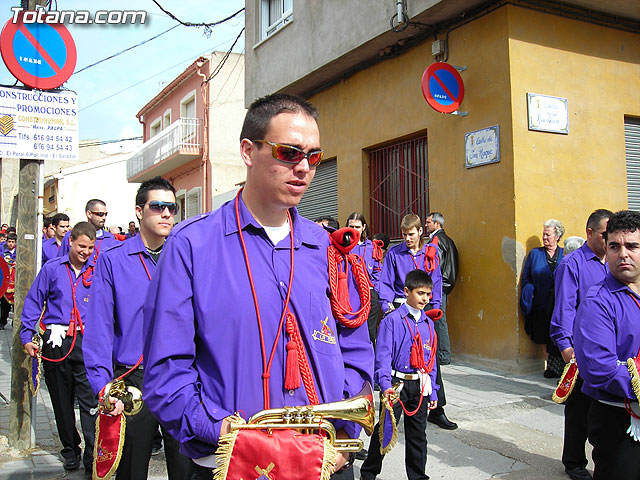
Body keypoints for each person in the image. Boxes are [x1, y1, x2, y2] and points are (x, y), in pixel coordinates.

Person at [142, 93, 373, 479]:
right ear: (248, 151)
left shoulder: (325, 247)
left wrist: (345, 433)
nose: (303, 168)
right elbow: (167, 367)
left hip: (325, 461)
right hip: (234, 464)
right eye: (289, 152)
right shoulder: (191, 245)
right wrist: (213, 427)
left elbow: (355, 348)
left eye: (313, 157)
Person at [84, 177, 190, 479]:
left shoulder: (185, 257)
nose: (167, 213)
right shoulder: (113, 261)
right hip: (134, 380)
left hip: (180, 378)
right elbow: (99, 329)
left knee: (187, 468)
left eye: (172, 207)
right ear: (139, 211)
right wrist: (104, 386)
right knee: (131, 469)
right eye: (158, 206)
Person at [21, 222, 98, 477]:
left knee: (90, 403)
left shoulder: (98, 271)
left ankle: (91, 457)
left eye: (90, 247)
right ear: (71, 242)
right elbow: (34, 301)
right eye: (81, 246)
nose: (85, 252)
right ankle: (70, 450)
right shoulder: (53, 269)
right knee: (61, 401)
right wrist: (27, 335)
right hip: (57, 341)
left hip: (87, 342)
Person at [574, 210, 640, 479]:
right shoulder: (597, 302)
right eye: (615, 246)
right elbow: (600, 368)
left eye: (632, 246)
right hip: (619, 421)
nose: (623, 253)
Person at [378, 214, 457, 430]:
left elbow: (437, 281)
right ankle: (392, 408)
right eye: (404, 235)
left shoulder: (430, 253)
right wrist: (386, 306)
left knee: (429, 356)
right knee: (397, 358)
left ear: (420, 231)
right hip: (400, 309)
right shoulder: (394, 253)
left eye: (411, 234)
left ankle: (437, 407)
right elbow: (385, 282)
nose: (407, 238)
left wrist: (436, 307)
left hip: (424, 310)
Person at [550, 209, 612, 480]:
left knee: (606, 410)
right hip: (581, 352)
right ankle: (574, 461)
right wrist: (566, 347)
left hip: (609, 350)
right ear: (590, 233)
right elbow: (564, 309)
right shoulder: (572, 265)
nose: (611, 240)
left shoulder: (614, 261)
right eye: (605, 234)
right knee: (579, 410)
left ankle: (606, 460)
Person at [360, 269, 439, 480]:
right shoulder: (392, 321)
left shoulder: (429, 324)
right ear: (406, 291)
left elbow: (431, 362)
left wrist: (434, 391)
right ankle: (369, 472)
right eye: (420, 293)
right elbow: (383, 357)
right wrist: (385, 385)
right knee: (384, 431)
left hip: (419, 385)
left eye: (428, 294)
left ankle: (418, 475)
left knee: (418, 436)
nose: (425, 298)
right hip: (396, 385)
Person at [520, 219, 565, 378]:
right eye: (544, 235)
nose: (545, 238)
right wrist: (529, 291)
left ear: (557, 236)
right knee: (544, 334)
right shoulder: (535, 254)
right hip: (541, 302)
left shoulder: (564, 254)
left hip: (559, 302)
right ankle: (550, 367)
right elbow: (526, 278)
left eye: (548, 235)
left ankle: (562, 367)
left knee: (559, 333)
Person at [424, 212, 458, 366]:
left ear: (437, 224)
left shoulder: (438, 241)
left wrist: (435, 286)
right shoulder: (446, 240)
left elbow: (434, 267)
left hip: (439, 286)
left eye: (428, 222)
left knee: (438, 320)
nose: (426, 225)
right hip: (444, 285)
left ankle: (443, 355)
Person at [346, 212, 383, 344]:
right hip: (350, 293)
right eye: (351, 226)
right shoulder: (344, 245)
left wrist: (375, 289)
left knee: (370, 330)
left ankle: (370, 361)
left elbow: (378, 270)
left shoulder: (372, 247)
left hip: (369, 292)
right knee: (352, 328)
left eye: (357, 227)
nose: (354, 230)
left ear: (364, 227)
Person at [0, 232, 17, 330]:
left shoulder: (19, 253)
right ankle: (2, 321)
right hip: (5, 282)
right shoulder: (2, 252)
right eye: (9, 242)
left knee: (16, 306)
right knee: (4, 305)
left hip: (15, 282)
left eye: (13, 242)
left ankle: (15, 322)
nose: (11, 244)